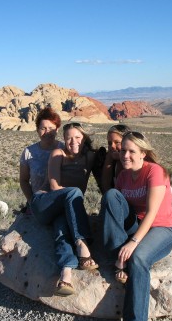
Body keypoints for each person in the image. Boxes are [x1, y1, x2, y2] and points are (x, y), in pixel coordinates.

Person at [100, 130, 172, 321]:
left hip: (161, 228)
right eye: (123, 150)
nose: (126, 155)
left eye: (132, 151)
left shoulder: (154, 171)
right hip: (136, 224)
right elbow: (117, 207)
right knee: (110, 196)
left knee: (139, 258)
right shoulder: (124, 176)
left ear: (143, 152)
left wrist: (132, 243)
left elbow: (151, 213)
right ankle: (118, 258)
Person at [30, 121, 101, 297]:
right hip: (44, 203)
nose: (73, 142)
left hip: (63, 209)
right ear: (63, 139)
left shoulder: (90, 156)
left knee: (62, 228)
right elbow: (54, 186)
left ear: (84, 138)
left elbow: (105, 178)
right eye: (69, 138)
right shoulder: (58, 153)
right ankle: (81, 243)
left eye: (78, 137)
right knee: (74, 193)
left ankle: (66, 274)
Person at [19, 107, 64, 211]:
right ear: (37, 130)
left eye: (51, 128)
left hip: (61, 202)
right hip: (38, 203)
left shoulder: (64, 149)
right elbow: (24, 181)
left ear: (57, 129)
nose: (47, 132)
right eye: (43, 128)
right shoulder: (28, 152)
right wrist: (32, 203)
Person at [101, 124, 132, 193]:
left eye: (117, 142)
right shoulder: (113, 162)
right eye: (109, 143)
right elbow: (106, 189)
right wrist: (108, 159)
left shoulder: (136, 164)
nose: (112, 146)